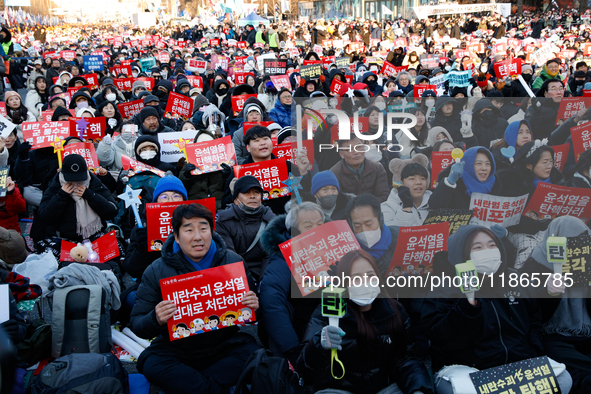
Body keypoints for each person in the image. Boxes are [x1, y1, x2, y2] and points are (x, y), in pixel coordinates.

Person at [421, 224, 573, 394]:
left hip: (517, 366)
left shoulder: (515, 279)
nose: (487, 251)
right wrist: (468, 307)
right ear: (462, 253)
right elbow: (440, 337)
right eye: (477, 247)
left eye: (492, 245)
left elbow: (534, 319)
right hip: (470, 370)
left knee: (563, 379)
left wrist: (550, 294)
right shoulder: (445, 287)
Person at [130, 203, 260, 393]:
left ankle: (194, 386)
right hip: (177, 348)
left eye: (203, 228)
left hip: (223, 344)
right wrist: (155, 317)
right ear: (176, 236)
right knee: (151, 364)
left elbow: (255, 311)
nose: (198, 237)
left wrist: (256, 305)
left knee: (254, 354)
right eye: (189, 230)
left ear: (211, 231)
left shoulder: (233, 261)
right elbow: (137, 324)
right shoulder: (156, 270)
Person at [297, 250, 434, 394]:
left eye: (370, 275)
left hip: (386, 387)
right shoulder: (326, 313)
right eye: (356, 278)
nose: (365, 282)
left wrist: (417, 389)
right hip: (339, 389)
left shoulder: (395, 310)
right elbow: (305, 372)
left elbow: (406, 358)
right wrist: (318, 346)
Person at [519, 216, 591, 392]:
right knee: (557, 354)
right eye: (572, 239)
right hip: (553, 334)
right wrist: (550, 292)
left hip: (586, 331)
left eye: (583, 238)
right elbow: (530, 313)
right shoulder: (534, 267)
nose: (578, 243)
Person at [259, 202, 325, 364]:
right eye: (308, 226)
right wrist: (293, 349)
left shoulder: (333, 249)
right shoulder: (282, 259)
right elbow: (272, 303)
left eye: (320, 224)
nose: (316, 230)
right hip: (301, 330)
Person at [37, 154, 118, 242]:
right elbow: (45, 217)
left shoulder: (94, 182)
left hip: (95, 238)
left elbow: (112, 210)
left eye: (80, 179)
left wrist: (91, 196)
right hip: (64, 240)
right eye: (71, 179)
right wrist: (61, 196)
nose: (75, 181)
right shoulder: (56, 185)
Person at [124, 175, 188, 280]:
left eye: (176, 196)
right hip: (155, 282)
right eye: (164, 197)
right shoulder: (143, 227)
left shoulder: (196, 223)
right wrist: (143, 249)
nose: (170, 201)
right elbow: (132, 269)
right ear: (156, 201)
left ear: (184, 200)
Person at [215, 176, 275, 282]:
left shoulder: (272, 220)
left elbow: (271, 257)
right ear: (236, 200)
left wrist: (263, 283)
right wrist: (247, 283)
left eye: (256, 192)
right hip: (237, 277)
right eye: (246, 192)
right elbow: (229, 257)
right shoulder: (223, 222)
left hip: (268, 275)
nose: (252, 196)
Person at [429, 146, 502, 210]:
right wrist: (450, 182)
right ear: (468, 165)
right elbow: (435, 206)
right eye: (478, 163)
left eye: (488, 164)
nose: (484, 168)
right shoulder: (457, 184)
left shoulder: (497, 185)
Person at [346, 193, 399, 277]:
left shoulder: (400, 239)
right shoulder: (346, 248)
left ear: (380, 219)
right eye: (357, 226)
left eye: (369, 224)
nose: (364, 230)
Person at [330, 135, 390, 203]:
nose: (356, 152)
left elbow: (383, 196)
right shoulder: (334, 173)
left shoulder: (377, 168)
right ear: (341, 154)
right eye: (349, 149)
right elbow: (336, 201)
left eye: (359, 147)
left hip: (373, 209)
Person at [382, 159, 431, 227]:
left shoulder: (433, 203)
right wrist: (406, 208)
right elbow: (394, 234)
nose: (418, 182)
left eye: (422, 178)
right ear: (400, 182)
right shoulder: (388, 207)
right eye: (412, 179)